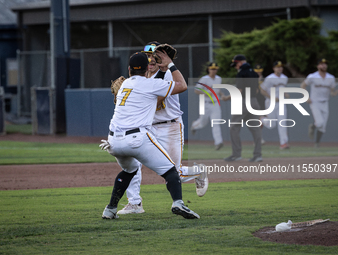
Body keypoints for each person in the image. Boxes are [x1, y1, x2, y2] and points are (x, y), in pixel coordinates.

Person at [100, 51, 200, 220]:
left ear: (129, 69)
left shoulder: (125, 85)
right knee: (170, 171)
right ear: (147, 68)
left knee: (129, 170)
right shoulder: (149, 84)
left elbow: (153, 84)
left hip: (113, 141)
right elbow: (182, 85)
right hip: (136, 139)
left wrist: (160, 72)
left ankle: (110, 209)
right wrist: (170, 65)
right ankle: (178, 203)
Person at [222, 54, 262, 162]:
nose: (235, 67)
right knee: (255, 128)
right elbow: (257, 90)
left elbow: (239, 91)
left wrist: (227, 97)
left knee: (234, 128)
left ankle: (236, 154)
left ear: (239, 62)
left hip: (243, 102)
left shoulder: (241, 73)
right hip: (254, 101)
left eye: (235, 64)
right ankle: (258, 155)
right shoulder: (254, 73)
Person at [301, 58, 338, 147]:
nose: (324, 65)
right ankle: (313, 126)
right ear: (318, 66)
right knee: (320, 122)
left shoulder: (331, 78)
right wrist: (306, 97)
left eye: (325, 64)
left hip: (325, 102)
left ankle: (317, 143)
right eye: (321, 64)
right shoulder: (312, 76)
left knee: (323, 127)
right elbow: (303, 85)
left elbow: (332, 93)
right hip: (315, 102)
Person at [191, 62, 224, 150]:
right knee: (202, 123)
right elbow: (196, 90)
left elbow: (218, 89)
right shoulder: (204, 79)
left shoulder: (218, 79)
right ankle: (194, 125)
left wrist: (222, 95)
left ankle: (218, 142)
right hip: (205, 103)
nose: (213, 70)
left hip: (215, 103)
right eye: (212, 69)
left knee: (216, 123)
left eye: (215, 69)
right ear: (208, 69)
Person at [260, 61, 290, 150]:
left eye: (281, 66)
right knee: (271, 124)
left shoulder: (285, 78)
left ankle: (283, 143)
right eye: (277, 67)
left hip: (281, 103)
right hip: (271, 102)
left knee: (282, 123)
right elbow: (262, 90)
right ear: (274, 68)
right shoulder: (269, 78)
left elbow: (282, 89)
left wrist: (286, 93)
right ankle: (261, 119)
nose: (279, 68)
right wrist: (272, 97)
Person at [254, 64, 266, 145]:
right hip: (254, 100)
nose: (258, 73)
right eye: (257, 71)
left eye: (259, 71)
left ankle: (259, 138)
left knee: (261, 120)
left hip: (263, 100)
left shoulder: (265, 79)